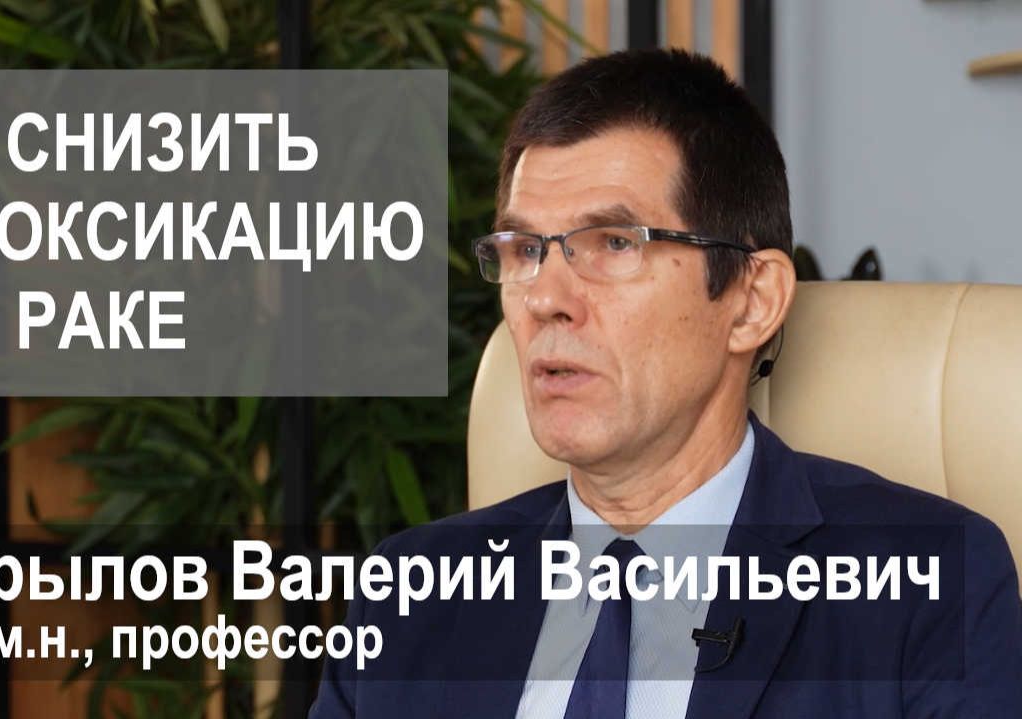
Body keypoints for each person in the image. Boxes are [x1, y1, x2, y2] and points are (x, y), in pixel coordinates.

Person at [309, 49, 1021, 719]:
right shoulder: (407, 597)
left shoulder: (930, 586)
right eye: (524, 250)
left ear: (751, 301)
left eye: (614, 243)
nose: (545, 297)